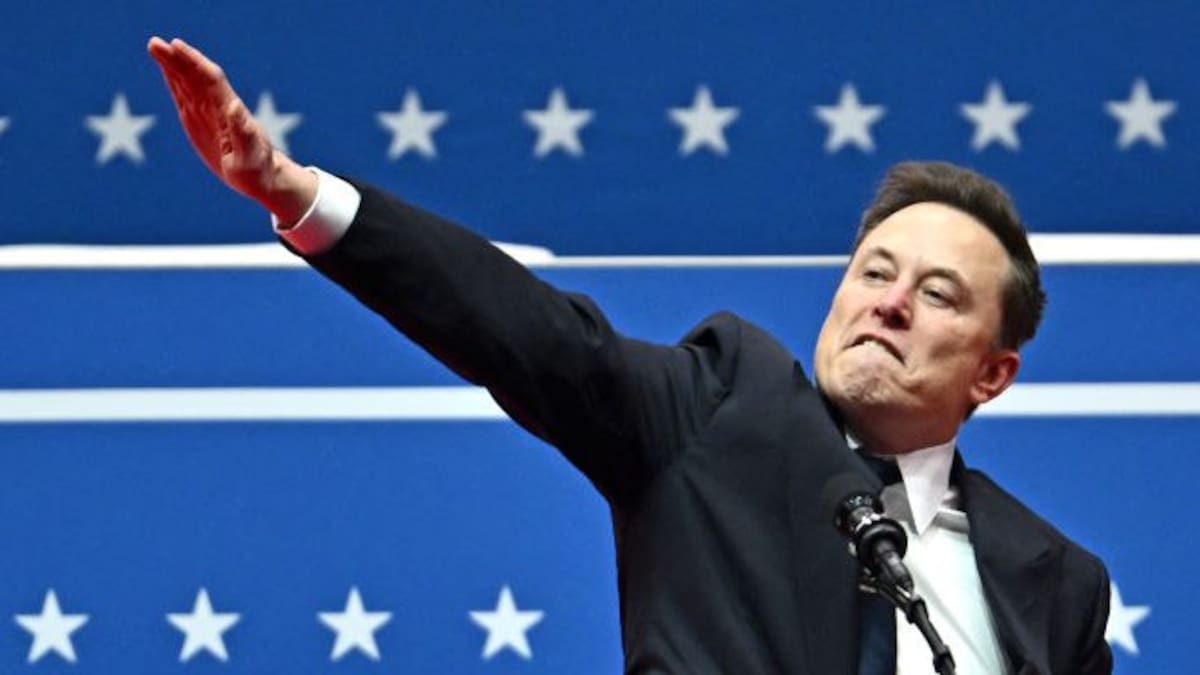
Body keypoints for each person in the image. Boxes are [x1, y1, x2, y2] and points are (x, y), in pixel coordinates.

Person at [147, 36, 1112, 674]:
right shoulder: (723, 409)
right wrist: (296, 194)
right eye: (874, 272)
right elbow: (532, 333)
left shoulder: (1059, 582)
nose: (889, 303)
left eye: (937, 294)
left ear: (993, 373)